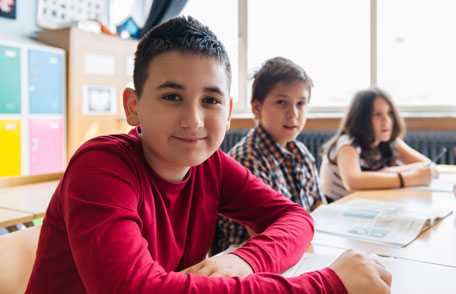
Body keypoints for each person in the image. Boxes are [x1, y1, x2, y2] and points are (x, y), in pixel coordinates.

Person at [26, 16, 391, 293]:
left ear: (228, 110)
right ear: (133, 106)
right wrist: (326, 284)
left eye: (211, 100)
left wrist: (244, 258)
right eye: (172, 96)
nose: (193, 120)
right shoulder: (101, 166)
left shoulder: (209, 165)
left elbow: (295, 218)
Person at [213, 57, 326, 254]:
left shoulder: (301, 152)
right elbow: (262, 233)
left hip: (298, 246)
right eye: (282, 102)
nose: (293, 114)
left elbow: (318, 204)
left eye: (301, 104)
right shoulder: (247, 158)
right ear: (257, 108)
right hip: (251, 257)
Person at [320, 88, 436, 200]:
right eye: (377, 115)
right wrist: (407, 178)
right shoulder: (347, 144)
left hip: (368, 204)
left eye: (389, 113)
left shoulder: (389, 141)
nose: (386, 120)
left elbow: (428, 165)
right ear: (361, 118)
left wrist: (390, 172)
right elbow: (353, 181)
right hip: (340, 210)